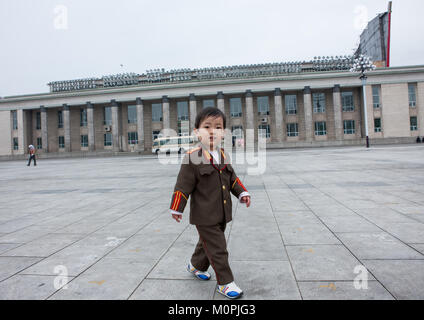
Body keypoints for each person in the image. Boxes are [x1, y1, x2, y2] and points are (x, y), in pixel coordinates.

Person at [169, 107, 251, 299]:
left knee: (206, 243)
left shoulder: (223, 155)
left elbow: (232, 179)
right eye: (207, 127)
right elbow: (182, 186)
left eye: (218, 127)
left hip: (221, 213)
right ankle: (225, 282)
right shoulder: (192, 158)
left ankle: (196, 265)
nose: (212, 131)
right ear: (197, 132)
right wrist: (177, 207)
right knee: (218, 248)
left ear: (223, 132)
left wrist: (242, 192)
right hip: (204, 215)